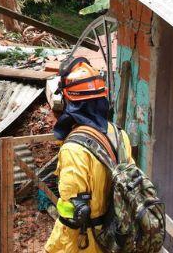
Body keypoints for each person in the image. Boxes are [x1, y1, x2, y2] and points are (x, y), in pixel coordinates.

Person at [45, 58, 134, 253]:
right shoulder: (120, 135)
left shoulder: (74, 149)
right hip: (117, 238)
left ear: (69, 101)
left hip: (88, 243)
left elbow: (72, 215)